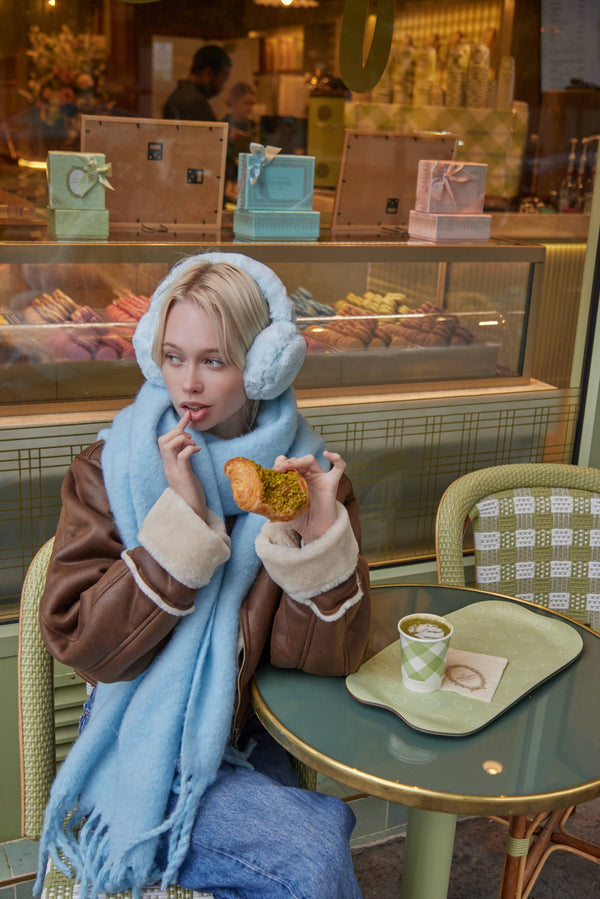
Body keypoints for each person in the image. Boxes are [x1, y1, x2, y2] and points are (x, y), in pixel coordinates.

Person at [35, 251, 371, 899]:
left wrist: (317, 541)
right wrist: (178, 538)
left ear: (266, 364)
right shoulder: (109, 469)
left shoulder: (303, 476)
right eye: (173, 355)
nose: (188, 382)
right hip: (138, 746)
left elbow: (328, 659)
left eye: (214, 360)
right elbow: (83, 644)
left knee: (307, 848)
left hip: (248, 732)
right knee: (313, 850)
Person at [162, 44, 232, 121]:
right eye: (222, 80)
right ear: (208, 73)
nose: (222, 87)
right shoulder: (193, 103)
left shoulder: (185, 95)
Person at [223, 82, 258, 198]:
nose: (249, 108)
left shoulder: (254, 126)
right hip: (228, 182)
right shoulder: (223, 126)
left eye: (252, 104)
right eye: (246, 104)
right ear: (234, 102)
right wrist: (231, 141)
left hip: (248, 181)